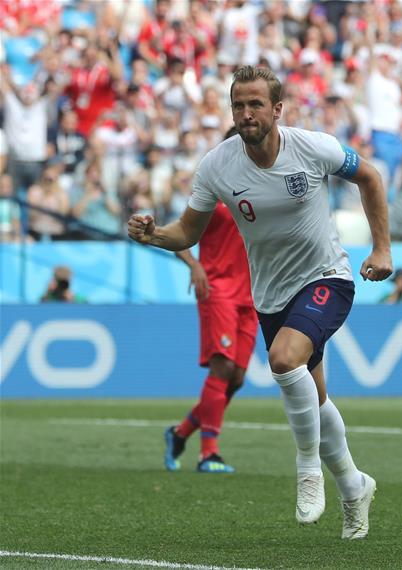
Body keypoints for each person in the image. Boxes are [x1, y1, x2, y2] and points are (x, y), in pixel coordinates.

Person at [128, 66, 392, 540]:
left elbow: (369, 176)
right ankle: (355, 486)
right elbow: (187, 231)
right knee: (316, 399)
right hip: (270, 295)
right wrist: (153, 235)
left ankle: (308, 470)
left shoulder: (313, 147)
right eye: (238, 105)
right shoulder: (217, 165)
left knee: (283, 360)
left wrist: (382, 249)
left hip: (327, 277)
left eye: (255, 104)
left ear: (277, 109)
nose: (246, 113)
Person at [164, 127, 258, 474]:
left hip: (253, 292)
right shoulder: (212, 184)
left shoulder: (263, 186)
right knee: (223, 368)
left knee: (237, 378)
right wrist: (194, 265)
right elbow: (179, 231)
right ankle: (208, 453)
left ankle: (180, 433)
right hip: (217, 288)